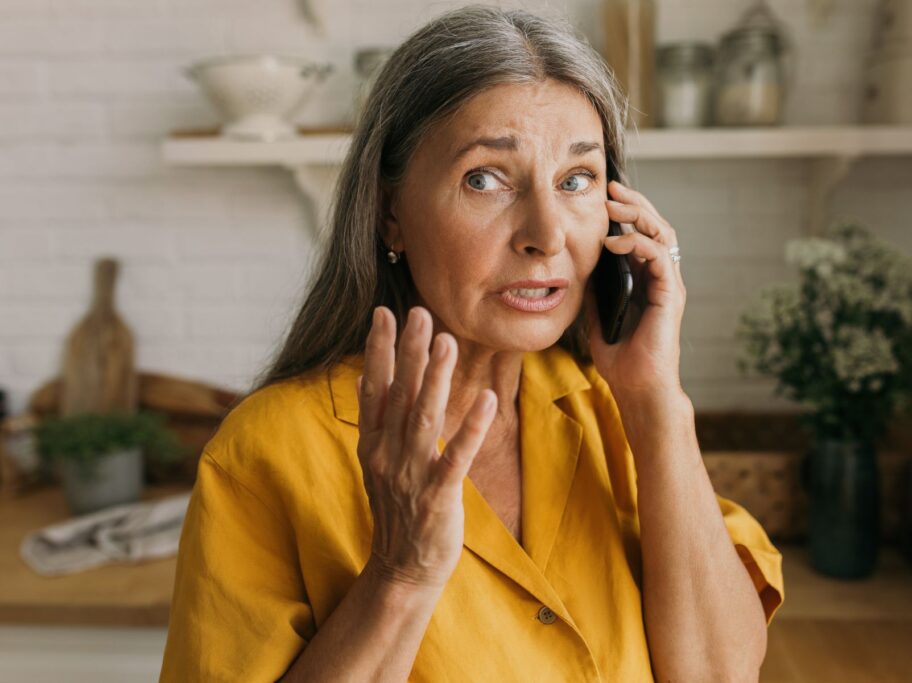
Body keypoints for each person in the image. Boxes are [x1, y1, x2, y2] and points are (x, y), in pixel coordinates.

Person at [159, 5, 784, 682]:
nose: (546, 234)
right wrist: (402, 573)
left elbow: (722, 674)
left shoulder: (618, 413)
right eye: (485, 178)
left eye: (575, 180)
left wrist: (656, 401)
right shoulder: (267, 452)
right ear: (389, 212)